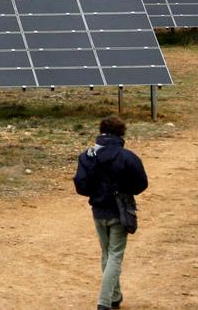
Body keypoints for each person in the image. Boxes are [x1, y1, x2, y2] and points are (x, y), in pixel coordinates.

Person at [73, 115, 148, 310]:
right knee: (115, 255)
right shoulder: (128, 157)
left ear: (101, 132)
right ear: (121, 133)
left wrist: (97, 193)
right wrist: (124, 191)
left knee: (106, 253)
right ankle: (104, 302)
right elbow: (141, 184)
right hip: (120, 211)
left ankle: (115, 296)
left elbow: (81, 185)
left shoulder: (87, 156)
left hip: (98, 211)